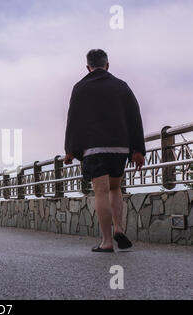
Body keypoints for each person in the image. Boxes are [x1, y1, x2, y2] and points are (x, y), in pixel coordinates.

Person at [64, 49, 145, 253]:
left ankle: (107, 241)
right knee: (115, 188)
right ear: (107, 65)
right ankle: (119, 228)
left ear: (88, 67)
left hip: (94, 147)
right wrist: (138, 149)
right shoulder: (121, 86)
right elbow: (134, 117)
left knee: (100, 191)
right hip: (119, 147)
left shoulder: (80, 88)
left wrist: (70, 150)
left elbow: (73, 119)